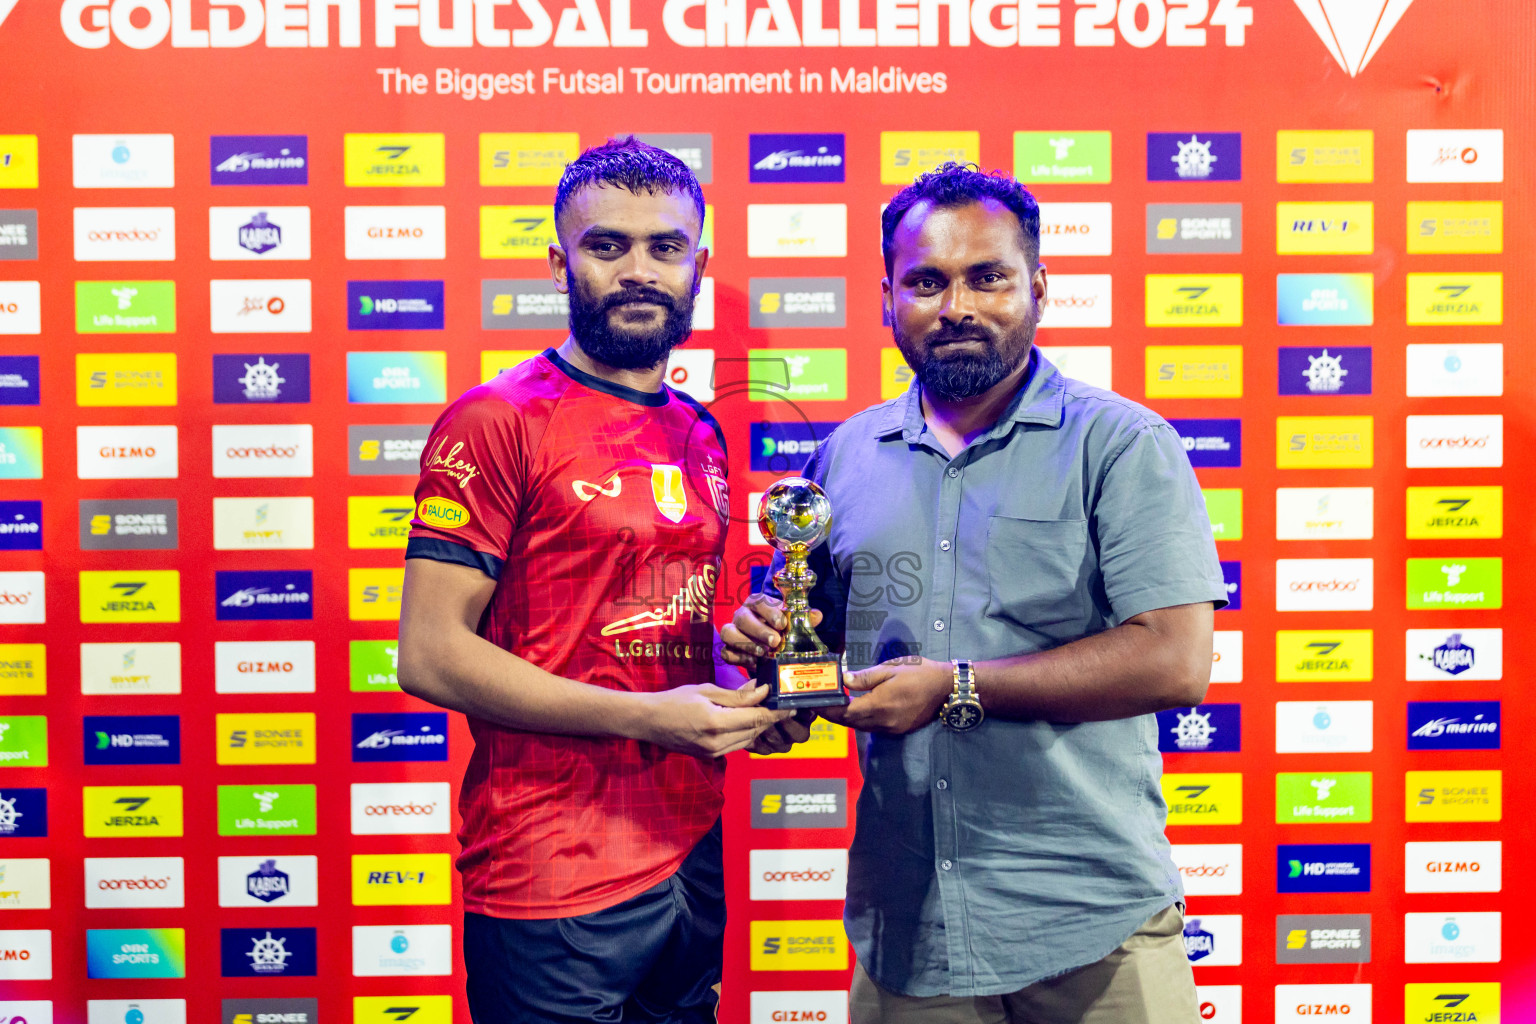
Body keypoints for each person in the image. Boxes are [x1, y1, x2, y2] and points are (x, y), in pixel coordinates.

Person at [722, 163, 1228, 1024]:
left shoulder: (1120, 443)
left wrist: (956, 686)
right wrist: (772, 671)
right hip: (909, 928)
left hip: (1088, 920)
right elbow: (815, 671)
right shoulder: (846, 456)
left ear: (1037, 286)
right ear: (886, 296)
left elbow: (1175, 661)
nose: (956, 305)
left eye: (987, 276)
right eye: (926, 280)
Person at [397, 137, 791, 1024]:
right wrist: (646, 719)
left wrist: (747, 693)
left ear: (699, 264)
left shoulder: (699, 430)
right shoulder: (499, 419)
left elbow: (669, 627)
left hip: (688, 846)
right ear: (558, 261)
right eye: (607, 246)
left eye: (665, 247)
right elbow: (428, 654)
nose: (639, 270)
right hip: (550, 867)